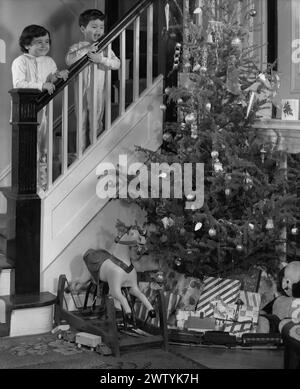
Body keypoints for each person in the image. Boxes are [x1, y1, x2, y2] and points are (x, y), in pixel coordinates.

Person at [11, 25, 69, 191]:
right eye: (39, 42)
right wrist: (41, 85)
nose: (44, 45)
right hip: (24, 113)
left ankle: (42, 186)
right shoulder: (19, 61)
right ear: (27, 44)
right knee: (27, 151)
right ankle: (28, 186)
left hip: (43, 113)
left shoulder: (49, 61)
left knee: (43, 150)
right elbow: (18, 83)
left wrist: (58, 75)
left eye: (46, 41)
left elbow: (52, 78)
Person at [65, 9, 120, 151]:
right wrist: (87, 49)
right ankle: (81, 153)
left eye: (101, 27)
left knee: (97, 120)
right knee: (81, 121)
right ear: (83, 28)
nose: (99, 30)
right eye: (94, 27)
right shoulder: (77, 47)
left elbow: (117, 64)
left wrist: (101, 59)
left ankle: (95, 150)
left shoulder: (105, 48)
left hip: (98, 90)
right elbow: (69, 60)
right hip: (81, 90)